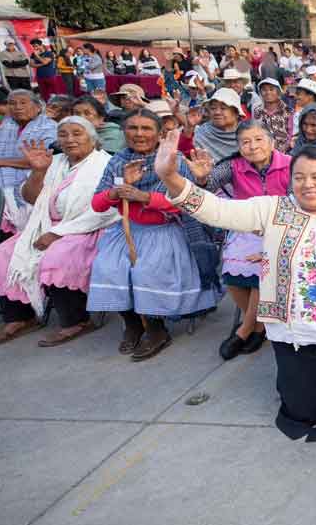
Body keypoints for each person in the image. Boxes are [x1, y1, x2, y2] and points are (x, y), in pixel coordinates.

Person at [155, 129, 316, 441]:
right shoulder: (273, 209)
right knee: (303, 409)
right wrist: (171, 178)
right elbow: (218, 211)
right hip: (292, 332)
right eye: (299, 177)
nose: (308, 184)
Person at [86, 110, 221, 361]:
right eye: (132, 128)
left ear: (160, 133)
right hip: (128, 230)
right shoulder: (117, 161)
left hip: (166, 230)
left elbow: (187, 201)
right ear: (123, 132)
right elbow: (97, 203)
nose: (139, 134)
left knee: (145, 271)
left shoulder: (176, 161)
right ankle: (134, 324)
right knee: (108, 268)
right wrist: (116, 193)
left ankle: (157, 330)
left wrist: (145, 197)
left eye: (146, 128)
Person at [0, 117, 118, 346]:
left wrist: (59, 233)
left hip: (91, 229)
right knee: (3, 253)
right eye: (63, 134)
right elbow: (30, 198)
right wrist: (38, 172)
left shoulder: (107, 164)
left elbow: (108, 211)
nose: (70, 139)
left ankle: (76, 320)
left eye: (77, 133)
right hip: (45, 225)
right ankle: (20, 317)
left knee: (58, 257)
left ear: (92, 138)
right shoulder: (53, 162)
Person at [187, 121, 291, 360]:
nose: (252, 146)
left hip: (282, 227)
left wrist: (273, 229)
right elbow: (208, 183)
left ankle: (245, 329)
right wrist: (202, 180)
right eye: (245, 141)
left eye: (258, 139)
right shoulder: (233, 166)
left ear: (271, 142)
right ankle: (260, 324)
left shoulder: (290, 164)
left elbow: (298, 200)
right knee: (232, 272)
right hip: (246, 228)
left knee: (259, 270)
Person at [0, 90, 59, 232]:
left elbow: (40, 160)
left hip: (30, 181)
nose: (17, 107)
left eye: (23, 102)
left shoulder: (49, 126)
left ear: (37, 107)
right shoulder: (5, 121)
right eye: (12, 103)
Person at [193, 88, 246, 159]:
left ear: (236, 113)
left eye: (223, 108)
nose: (217, 112)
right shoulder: (202, 134)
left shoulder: (248, 133)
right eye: (213, 108)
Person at [253, 78, 293, 152]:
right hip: (263, 150)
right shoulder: (257, 111)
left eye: (271, 89)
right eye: (264, 90)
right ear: (260, 93)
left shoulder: (287, 110)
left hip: (284, 151)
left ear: (278, 92)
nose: (268, 92)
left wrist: (284, 148)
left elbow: (290, 133)